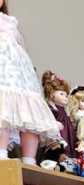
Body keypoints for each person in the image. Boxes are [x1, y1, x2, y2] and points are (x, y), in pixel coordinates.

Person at [0, 1, 60, 163]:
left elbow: (19, 46)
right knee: (3, 112)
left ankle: (29, 159)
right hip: (6, 73)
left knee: (27, 115)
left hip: (15, 73)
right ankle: (1, 153)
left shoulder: (10, 22)